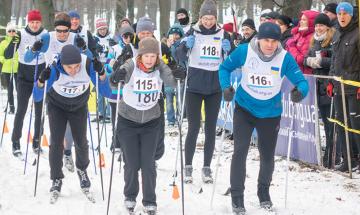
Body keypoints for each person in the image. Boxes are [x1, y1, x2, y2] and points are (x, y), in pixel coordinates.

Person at [219, 22, 309, 214]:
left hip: (270, 113)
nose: (270, 45)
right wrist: (226, 87)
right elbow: (224, 68)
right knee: (240, 151)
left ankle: (264, 193)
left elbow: (302, 81)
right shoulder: (244, 51)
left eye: (274, 41)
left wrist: (299, 91)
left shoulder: (284, 58)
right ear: (259, 39)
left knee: (267, 155)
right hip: (244, 109)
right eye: (266, 40)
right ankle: (237, 197)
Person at [110, 37, 185, 214]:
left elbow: (173, 81)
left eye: (153, 56)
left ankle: (150, 200)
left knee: (148, 163)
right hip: (128, 120)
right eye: (146, 56)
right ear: (141, 55)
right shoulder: (131, 65)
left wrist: (180, 74)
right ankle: (129, 196)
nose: (150, 60)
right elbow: (115, 81)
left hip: (151, 122)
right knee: (132, 163)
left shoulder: (160, 67)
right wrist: (115, 77)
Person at [33, 44, 110, 202]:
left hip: (79, 106)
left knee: (81, 141)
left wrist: (101, 73)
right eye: (70, 67)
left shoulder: (87, 64)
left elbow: (105, 92)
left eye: (77, 67)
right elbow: (37, 97)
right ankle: (56, 178)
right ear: (62, 64)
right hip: (57, 106)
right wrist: (41, 80)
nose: (74, 71)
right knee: (56, 142)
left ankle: (82, 170)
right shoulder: (54, 68)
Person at [177, 0, 232, 184]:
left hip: (214, 88)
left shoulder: (224, 33)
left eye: (212, 18)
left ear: (216, 18)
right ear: (200, 18)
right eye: (205, 18)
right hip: (194, 87)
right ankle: (188, 166)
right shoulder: (192, 31)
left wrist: (229, 49)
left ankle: (207, 168)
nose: (208, 22)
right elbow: (178, 55)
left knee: (210, 128)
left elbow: (232, 59)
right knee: (193, 127)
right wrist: (185, 45)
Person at [328, 2, 360, 172]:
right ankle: (349, 159)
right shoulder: (336, 34)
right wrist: (331, 82)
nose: (341, 17)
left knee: (356, 125)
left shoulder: (358, 34)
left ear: (351, 15)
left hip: (354, 88)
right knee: (341, 124)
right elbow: (334, 61)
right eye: (339, 14)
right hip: (339, 87)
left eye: (345, 14)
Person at [11, 9, 47, 156]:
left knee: (39, 112)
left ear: (41, 22)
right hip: (24, 78)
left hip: (40, 78)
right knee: (21, 110)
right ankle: (15, 142)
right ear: (28, 22)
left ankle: (37, 142)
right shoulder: (21, 34)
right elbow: (8, 54)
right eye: (32, 22)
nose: (34, 25)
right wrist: (12, 42)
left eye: (37, 22)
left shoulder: (46, 35)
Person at [303, 13, 337, 168]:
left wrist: (322, 61)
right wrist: (308, 60)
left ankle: (332, 155)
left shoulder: (333, 40)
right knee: (324, 121)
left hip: (329, 86)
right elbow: (305, 57)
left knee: (331, 124)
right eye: (316, 25)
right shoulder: (314, 41)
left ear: (327, 27)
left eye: (321, 25)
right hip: (317, 87)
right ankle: (326, 154)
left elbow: (336, 61)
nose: (318, 28)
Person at [164, 23, 185, 127]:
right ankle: (170, 119)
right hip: (168, 76)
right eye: (172, 34)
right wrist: (168, 47)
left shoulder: (183, 45)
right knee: (169, 100)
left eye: (177, 34)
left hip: (180, 76)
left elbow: (182, 59)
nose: (175, 36)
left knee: (179, 99)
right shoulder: (166, 46)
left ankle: (179, 116)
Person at [286, 10, 319, 74]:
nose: (301, 21)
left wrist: (291, 46)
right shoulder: (298, 34)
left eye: (304, 20)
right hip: (293, 73)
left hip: (305, 75)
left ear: (311, 22)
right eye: (301, 19)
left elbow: (302, 60)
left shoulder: (313, 37)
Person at [0, 22, 19, 114]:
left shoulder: (18, 42)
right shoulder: (3, 43)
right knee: (10, 88)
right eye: (10, 31)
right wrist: (4, 60)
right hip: (7, 68)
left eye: (13, 31)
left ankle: (20, 107)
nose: (12, 33)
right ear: (7, 32)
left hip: (18, 68)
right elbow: (0, 55)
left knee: (19, 89)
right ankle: (11, 107)